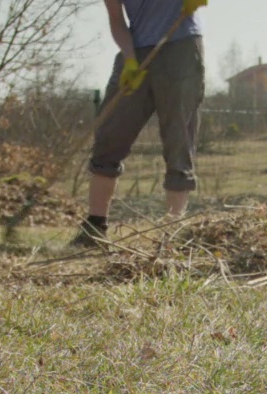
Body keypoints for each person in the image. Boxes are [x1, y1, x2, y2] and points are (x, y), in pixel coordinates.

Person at [71, 0, 208, 247]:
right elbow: (116, 19)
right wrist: (130, 59)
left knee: (178, 140)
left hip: (181, 49)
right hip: (135, 50)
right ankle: (94, 227)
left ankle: (171, 234)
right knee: (109, 136)